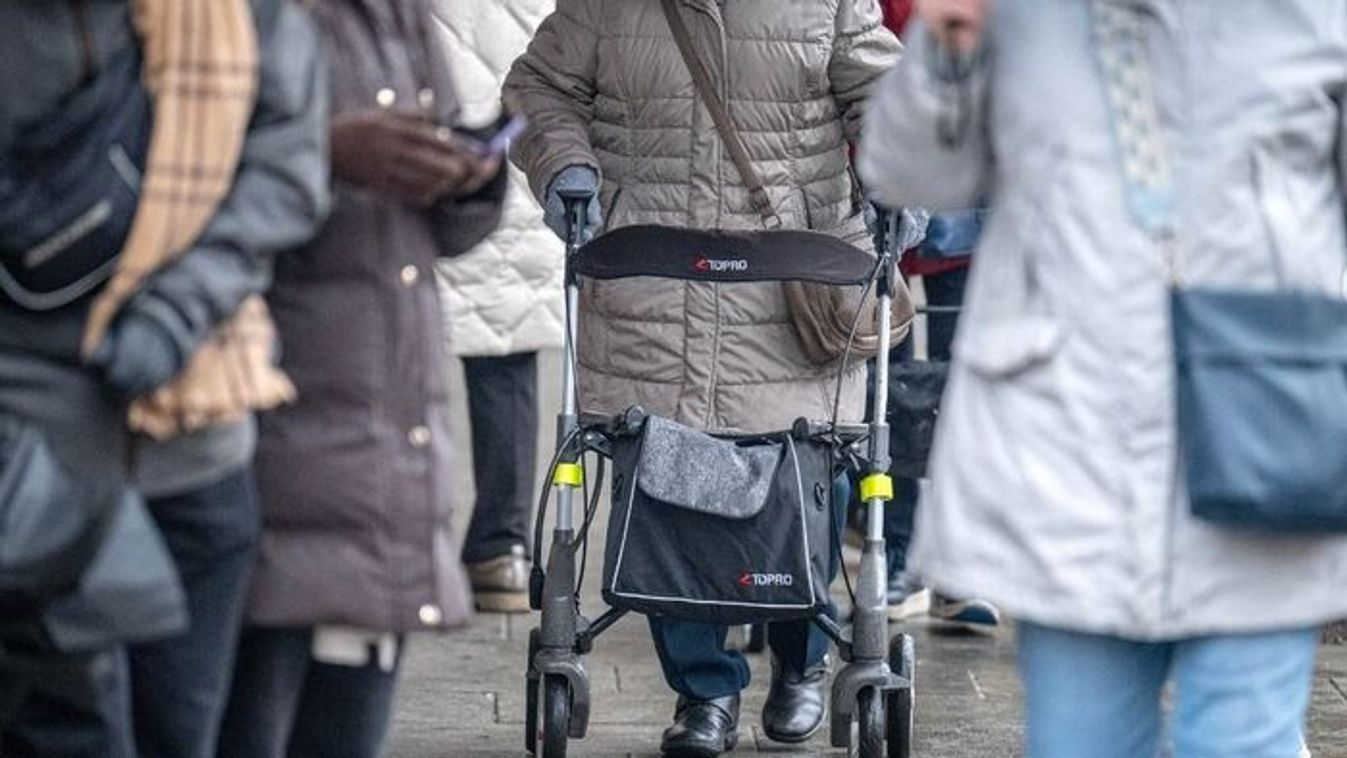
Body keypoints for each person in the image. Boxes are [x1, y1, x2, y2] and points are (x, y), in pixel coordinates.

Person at [860, 0, 1347, 756]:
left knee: (1241, 740)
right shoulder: (1012, 15)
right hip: (1068, 440)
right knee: (1084, 742)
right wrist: (945, 50)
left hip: (1270, 429)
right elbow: (905, 174)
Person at [504, 2, 900, 755]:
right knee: (667, 492)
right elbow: (539, 86)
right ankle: (705, 691)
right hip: (654, 290)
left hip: (790, 295)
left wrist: (895, 172)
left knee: (804, 485)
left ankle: (802, 660)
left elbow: (885, 92)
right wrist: (565, 167)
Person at [0, 1, 328, 756]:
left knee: (179, 733)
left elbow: (286, 161)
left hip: (193, 446)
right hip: (30, 466)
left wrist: (177, 311)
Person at [215, 1, 508, 756]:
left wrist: (466, 178)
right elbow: (169, 185)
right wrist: (321, 154)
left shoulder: (397, 15)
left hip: (386, 437)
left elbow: (439, 224)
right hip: (269, 420)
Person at [428, 0, 563, 614]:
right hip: (517, 135)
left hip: (423, 129)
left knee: (393, 350)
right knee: (504, 340)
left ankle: (407, 534)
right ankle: (500, 547)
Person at [869, 0, 998, 627]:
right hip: (883, 193)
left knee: (960, 391)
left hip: (963, 198)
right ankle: (896, 552)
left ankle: (954, 560)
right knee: (885, 394)